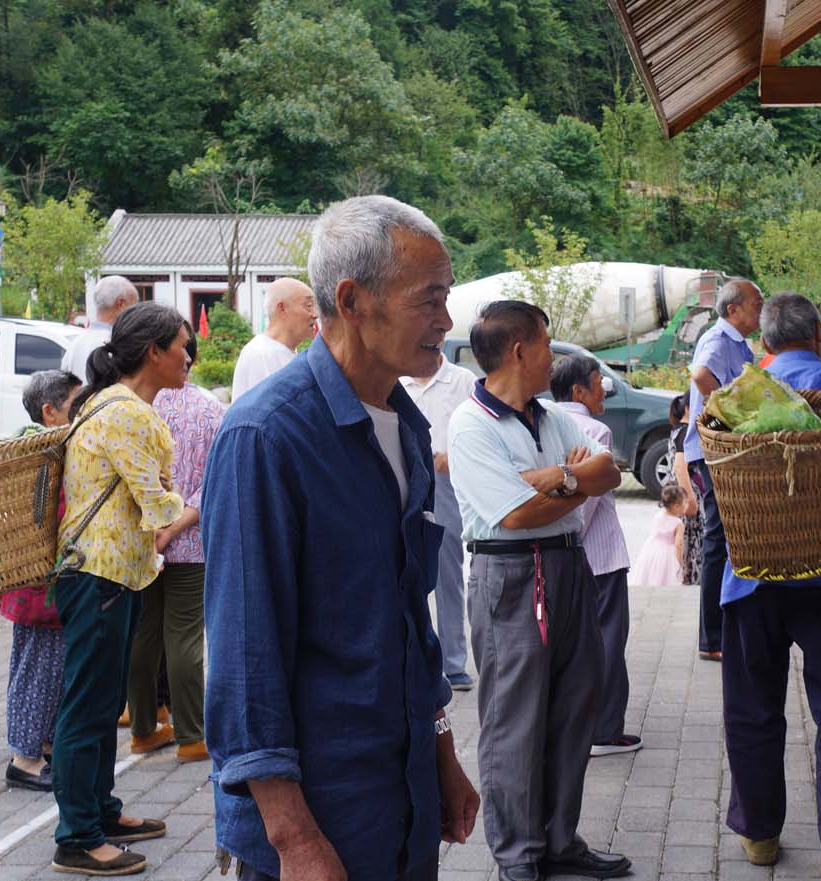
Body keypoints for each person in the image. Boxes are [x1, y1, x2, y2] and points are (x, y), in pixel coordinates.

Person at [203, 196, 479, 881]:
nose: (446, 320)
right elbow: (244, 655)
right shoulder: (266, 436)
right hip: (320, 815)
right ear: (353, 300)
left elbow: (410, 620)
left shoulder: (406, 425)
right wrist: (293, 837)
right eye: (430, 299)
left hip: (402, 795)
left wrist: (442, 753)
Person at [448, 301, 628, 881]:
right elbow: (518, 515)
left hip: (570, 568)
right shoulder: (470, 422)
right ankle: (518, 857)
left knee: (575, 708)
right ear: (521, 350)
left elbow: (610, 473)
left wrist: (561, 478)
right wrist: (570, 481)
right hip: (510, 575)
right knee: (515, 721)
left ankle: (559, 840)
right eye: (548, 344)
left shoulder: (553, 416)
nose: (555, 355)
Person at [721, 293, 821, 881]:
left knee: (753, 709)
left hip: (751, 578)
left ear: (764, 343)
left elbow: (721, 495)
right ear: (819, 335)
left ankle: (761, 836)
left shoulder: (737, 398)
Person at [52, 302, 191, 876]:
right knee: (87, 707)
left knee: (106, 702)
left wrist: (171, 499)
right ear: (153, 352)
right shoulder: (124, 413)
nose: (189, 357)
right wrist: (198, 503)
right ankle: (76, 837)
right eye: (182, 346)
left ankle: (100, 810)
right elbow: (159, 507)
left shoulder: (119, 405)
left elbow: (155, 496)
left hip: (116, 571)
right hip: (98, 574)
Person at [129, 329, 223, 764]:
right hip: (191, 542)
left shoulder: (138, 405)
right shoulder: (211, 410)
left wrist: (155, 529)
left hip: (142, 538)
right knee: (184, 638)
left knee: (144, 636)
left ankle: (143, 727)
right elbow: (213, 485)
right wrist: (179, 523)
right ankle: (192, 736)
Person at [550, 354, 643, 758]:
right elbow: (584, 499)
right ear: (578, 391)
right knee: (607, 641)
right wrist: (571, 542)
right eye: (597, 382)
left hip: (563, 555)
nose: (603, 389)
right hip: (598, 558)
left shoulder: (545, 422)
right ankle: (603, 731)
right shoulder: (594, 430)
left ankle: (569, 723)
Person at [0, 371, 83, 791]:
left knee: (48, 670)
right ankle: (24, 759)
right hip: (39, 589)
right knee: (37, 673)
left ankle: (40, 748)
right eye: (74, 405)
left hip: (40, 588)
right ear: (49, 412)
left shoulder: (51, 450)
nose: (82, 411)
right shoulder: (41, 456)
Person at [685, 279, 763, 661]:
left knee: (727, 535)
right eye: (756, 303)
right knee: (718, 538)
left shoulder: (738, 343)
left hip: (720, 450)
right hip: (710, 450)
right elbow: (700, 377)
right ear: (733, 309)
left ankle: (720, 631)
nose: (760, 309)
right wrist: (727, 418)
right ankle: (711, 638)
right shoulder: (718, 339)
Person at [400, 351, 478, 692]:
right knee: (402, 569)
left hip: (446, 480)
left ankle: (453, 663)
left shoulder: (462, 381)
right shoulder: (397, 380)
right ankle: (411, 659)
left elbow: (480, 429)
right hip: (403, 476)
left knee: (447, 569)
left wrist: (454, 457)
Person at [230, 277, 317, 400]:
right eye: (308, 306)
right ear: (282, 308)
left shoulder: (284, 351)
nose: (315, 314)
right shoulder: (260, 354)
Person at [61, 276, 139, 381]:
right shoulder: (116, 344)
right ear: (121, 304)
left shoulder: (76, 344)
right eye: (134, 307)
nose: (136, 314)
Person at [666, 394, 702, 585]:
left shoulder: (677, 430)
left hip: (680, 494)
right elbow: (681, 467)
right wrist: (690, 500)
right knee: (690, 540)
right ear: (689, 408)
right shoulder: (685, 432)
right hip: (688, 494)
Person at [632, 484, 689, 588]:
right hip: (668, 555)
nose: (687, 505)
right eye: (685, 502)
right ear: (676, 506)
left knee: (652, 575)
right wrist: (680, 563)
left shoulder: (658, 515)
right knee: (667, 578)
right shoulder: (678, 523)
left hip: (651, 551)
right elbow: (679, 544)